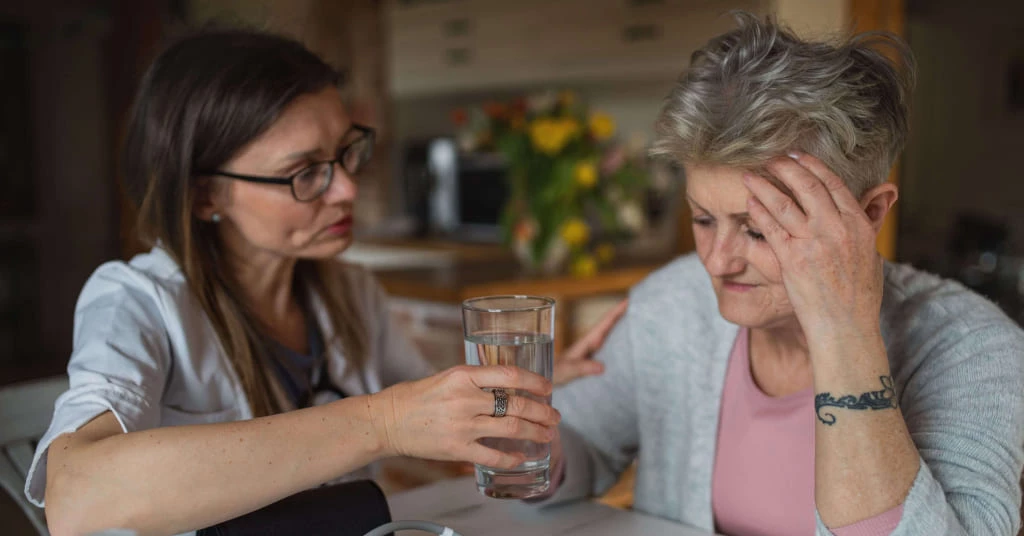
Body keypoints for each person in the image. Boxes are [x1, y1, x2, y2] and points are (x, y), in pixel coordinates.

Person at [25, 28, 624, 536]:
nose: (346, 188)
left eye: (344, 152)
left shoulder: (350, 293)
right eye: (304, 172)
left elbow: (432, 410)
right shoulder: (136, 301)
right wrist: (381, 423)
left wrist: (509, 395)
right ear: (206, 195)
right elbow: (77, 497)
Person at [540, 12, 1024, 536]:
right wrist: (517, 433)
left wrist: (844, 332)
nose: (717, 261)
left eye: (758, 230)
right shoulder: (674, 301)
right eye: (703, 220)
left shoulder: (974, 350)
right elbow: (577, 445)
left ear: (868, 215)